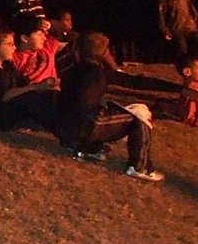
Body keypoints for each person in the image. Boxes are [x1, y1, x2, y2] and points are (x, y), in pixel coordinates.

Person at [58, 32, 164, 181]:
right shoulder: (101, 73)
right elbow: (138, 83)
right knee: (138, 119)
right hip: (82, 128)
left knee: (105, 110)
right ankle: (140, 167)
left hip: (64, 128)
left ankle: (87, 150)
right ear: (103, 54)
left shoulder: (71, 70)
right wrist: (180, 89)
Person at [0, 24, 58, 132]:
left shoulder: (7, 66)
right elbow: (6, 95)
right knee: (30, 99)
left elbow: (25, 83)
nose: (14, 47)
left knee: (46, 95)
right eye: (10, 44)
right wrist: (36, 87)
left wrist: (47, 85)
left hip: (6, 111)